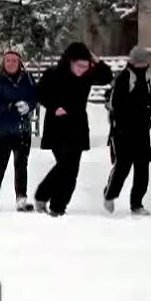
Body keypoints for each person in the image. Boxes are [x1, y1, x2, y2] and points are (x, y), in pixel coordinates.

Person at [33, 41, 112, 217]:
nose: (82, 69)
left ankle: (58, 207)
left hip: (77, 127)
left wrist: (95, 60)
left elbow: (107, 76)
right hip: (57, 126)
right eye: (79, 65)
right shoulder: (52, 74)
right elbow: (40, 93)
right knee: (65, 165)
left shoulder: (87, 74)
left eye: (86, 66)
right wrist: (54, 107)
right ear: (69, 61)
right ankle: (42, 195)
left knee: (71, 171)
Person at [102, 46, 151, 216]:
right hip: (123, 130)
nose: (141, 65)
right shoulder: (123, 77)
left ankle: (137, 203)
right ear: (132, 61)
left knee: (143, 168)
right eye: (138, 62)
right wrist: (124, 122)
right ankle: (110, 194)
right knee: (123, 166)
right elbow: (116, 104)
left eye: (144, 62)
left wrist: (146, 113)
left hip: (142, 128)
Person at [0, 49, 38, 211]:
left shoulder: (28, 79)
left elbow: (35, 96)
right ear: (3, 62)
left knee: (21, 164)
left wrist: (29, 106)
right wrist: (8, 107)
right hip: (2, 129)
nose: (11, 63)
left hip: (22, 128)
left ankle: (21, 198)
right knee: (0, 163)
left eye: (14, 60)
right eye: (8, 60)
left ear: (20, 63)